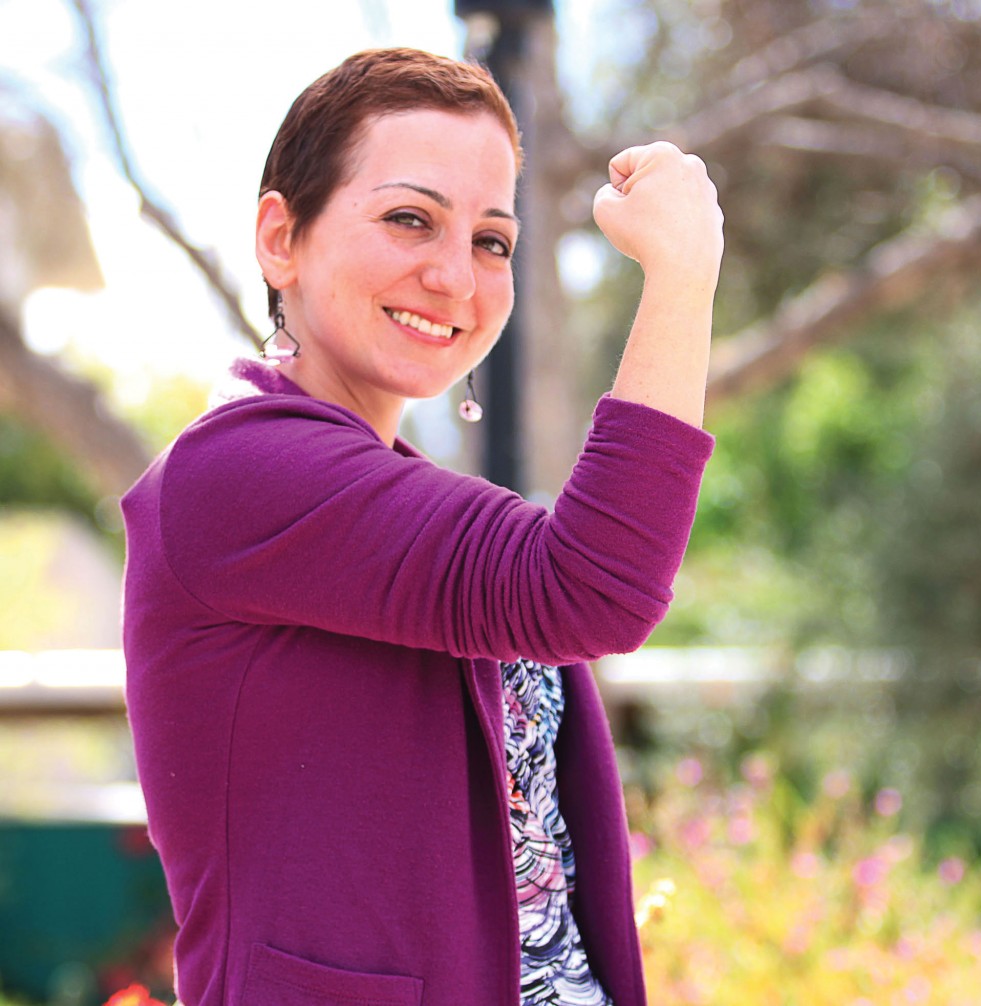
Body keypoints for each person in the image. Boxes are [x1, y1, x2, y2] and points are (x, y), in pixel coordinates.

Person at [121, 47, 723, 1006]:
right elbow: (593, 583)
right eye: (410, 218)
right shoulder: (232, 476)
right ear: (281, 237)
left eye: (492, 240)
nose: (455, 274)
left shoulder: (389, 491)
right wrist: (683, 277)